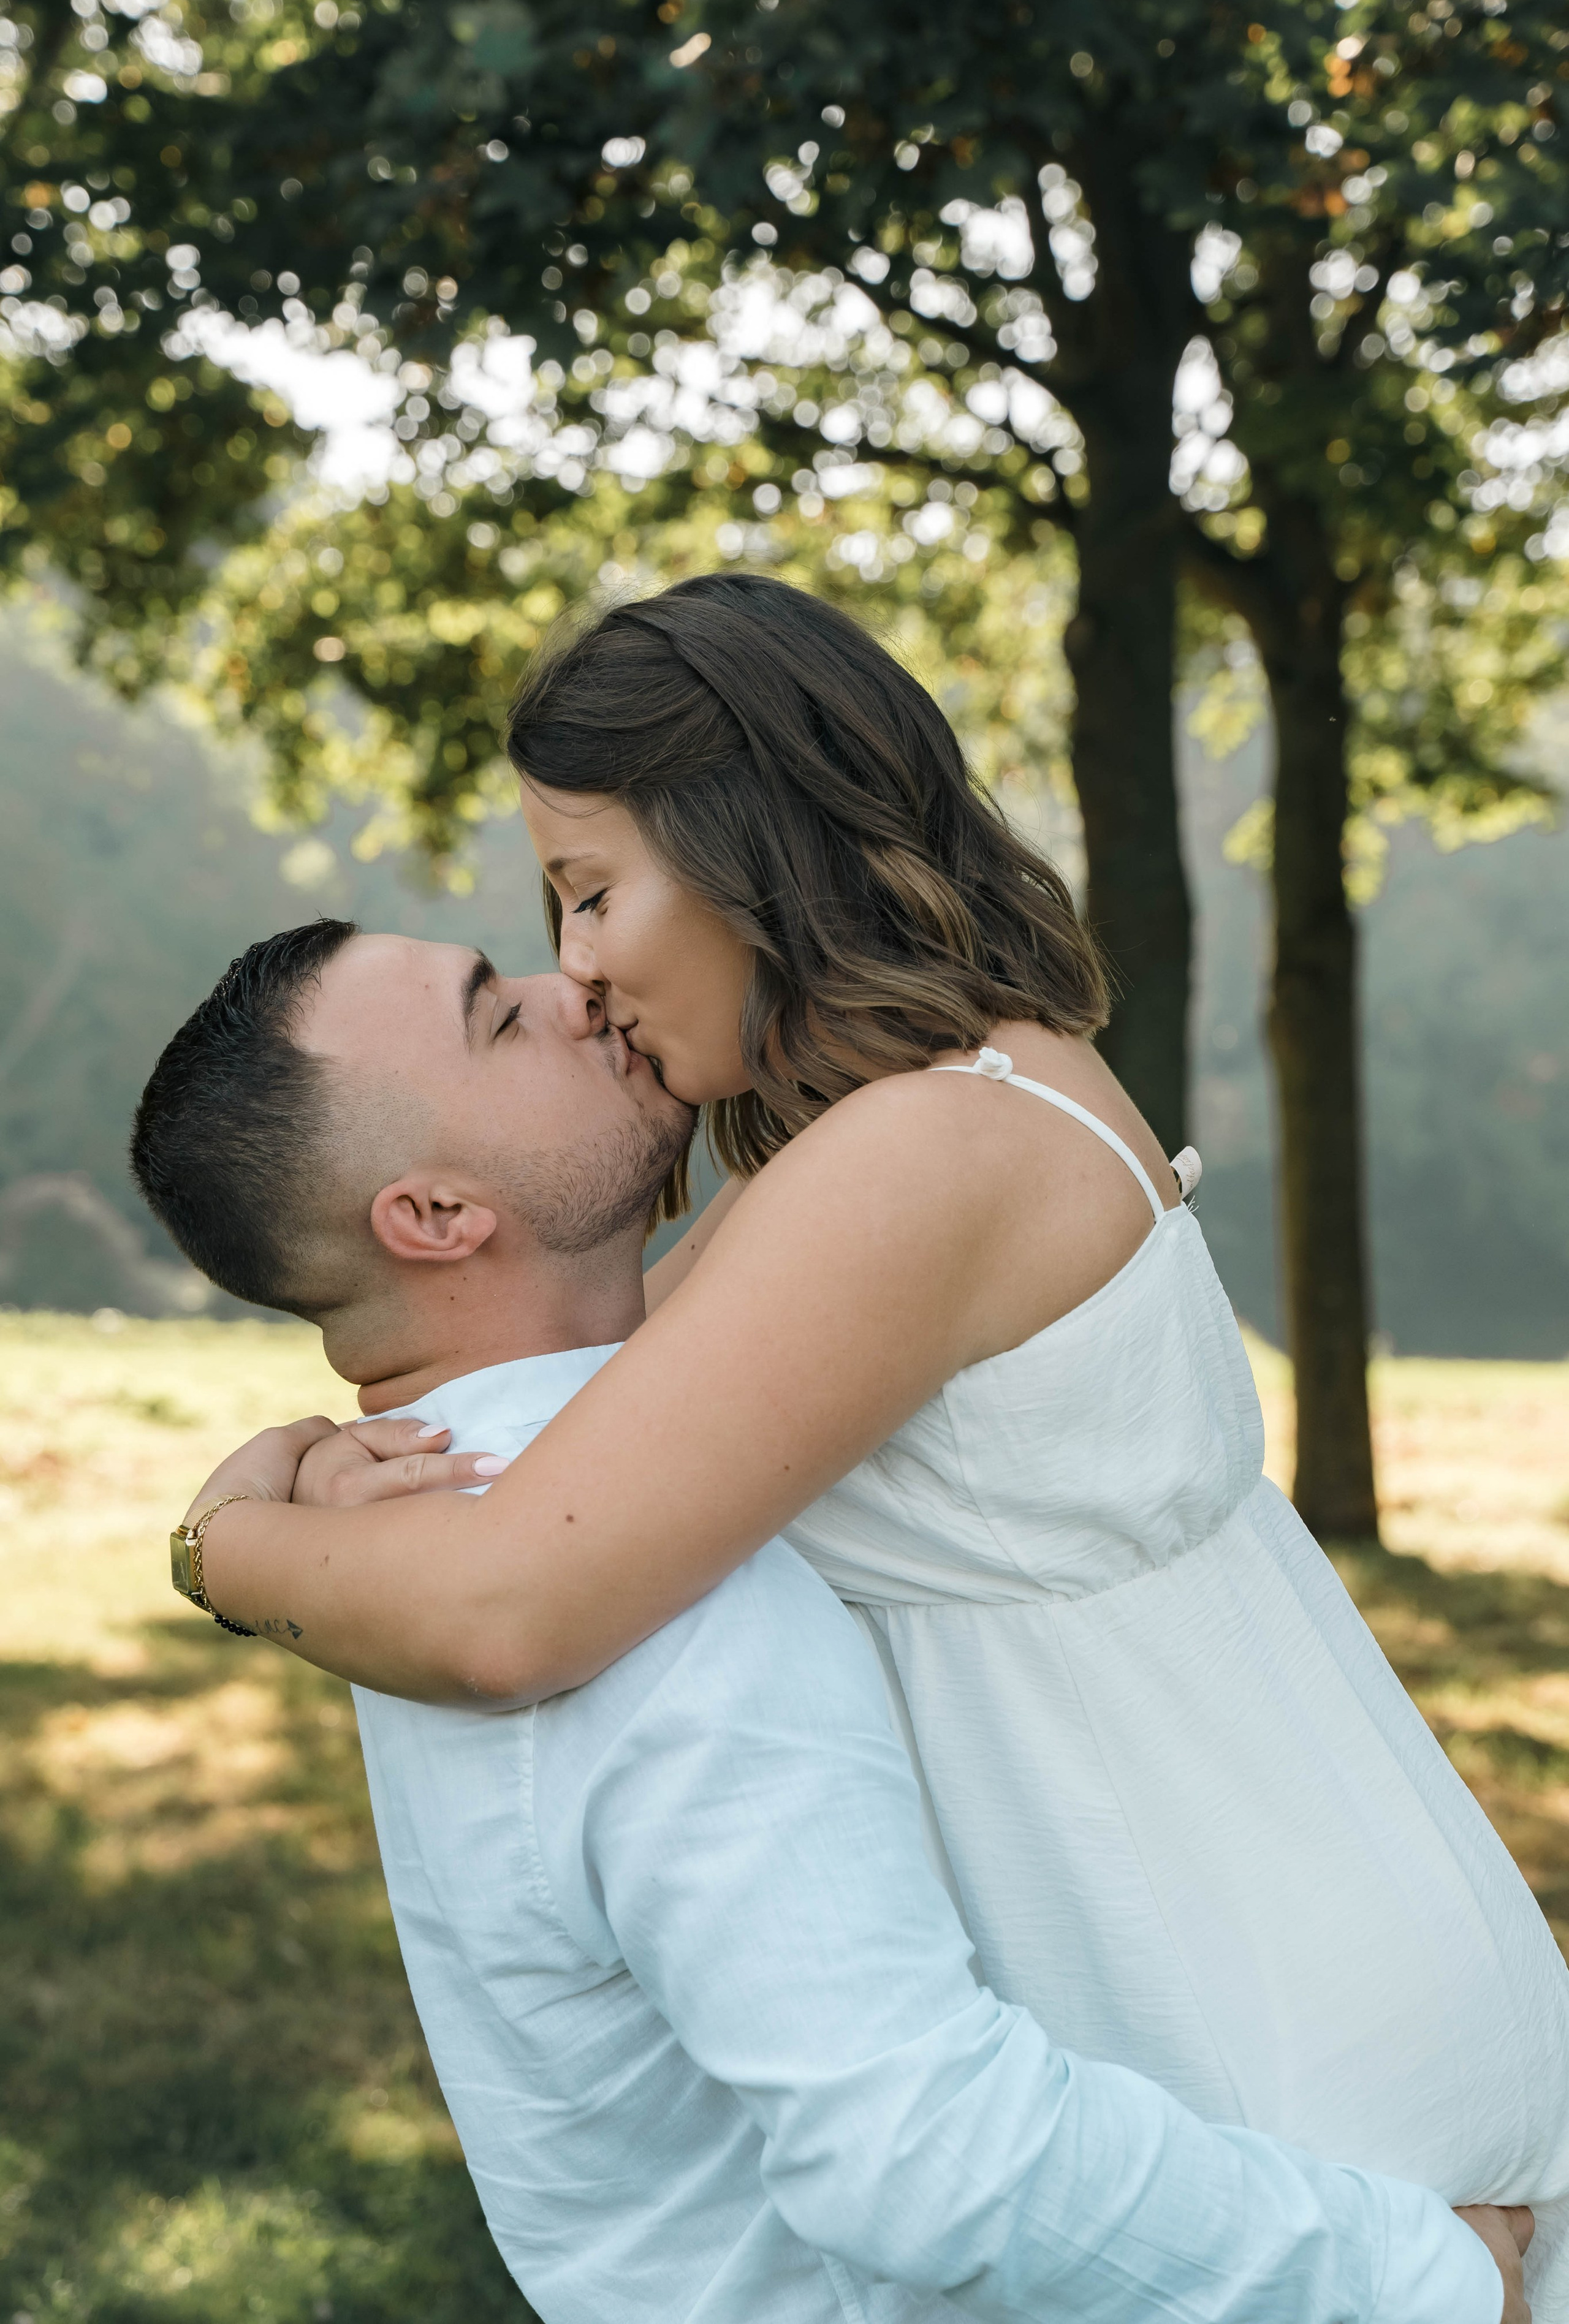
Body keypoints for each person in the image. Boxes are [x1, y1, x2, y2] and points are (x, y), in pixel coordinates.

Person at [165, 575, 1569, 2308]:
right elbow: (568, 1380)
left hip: (1287, 2073)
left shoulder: (920, 1159)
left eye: (592, 892)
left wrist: (227, 1541)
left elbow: (503, 1603)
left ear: (750, 843)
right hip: (1272, 2006)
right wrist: (311, 1451)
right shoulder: (901, 1138)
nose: (582, 968)